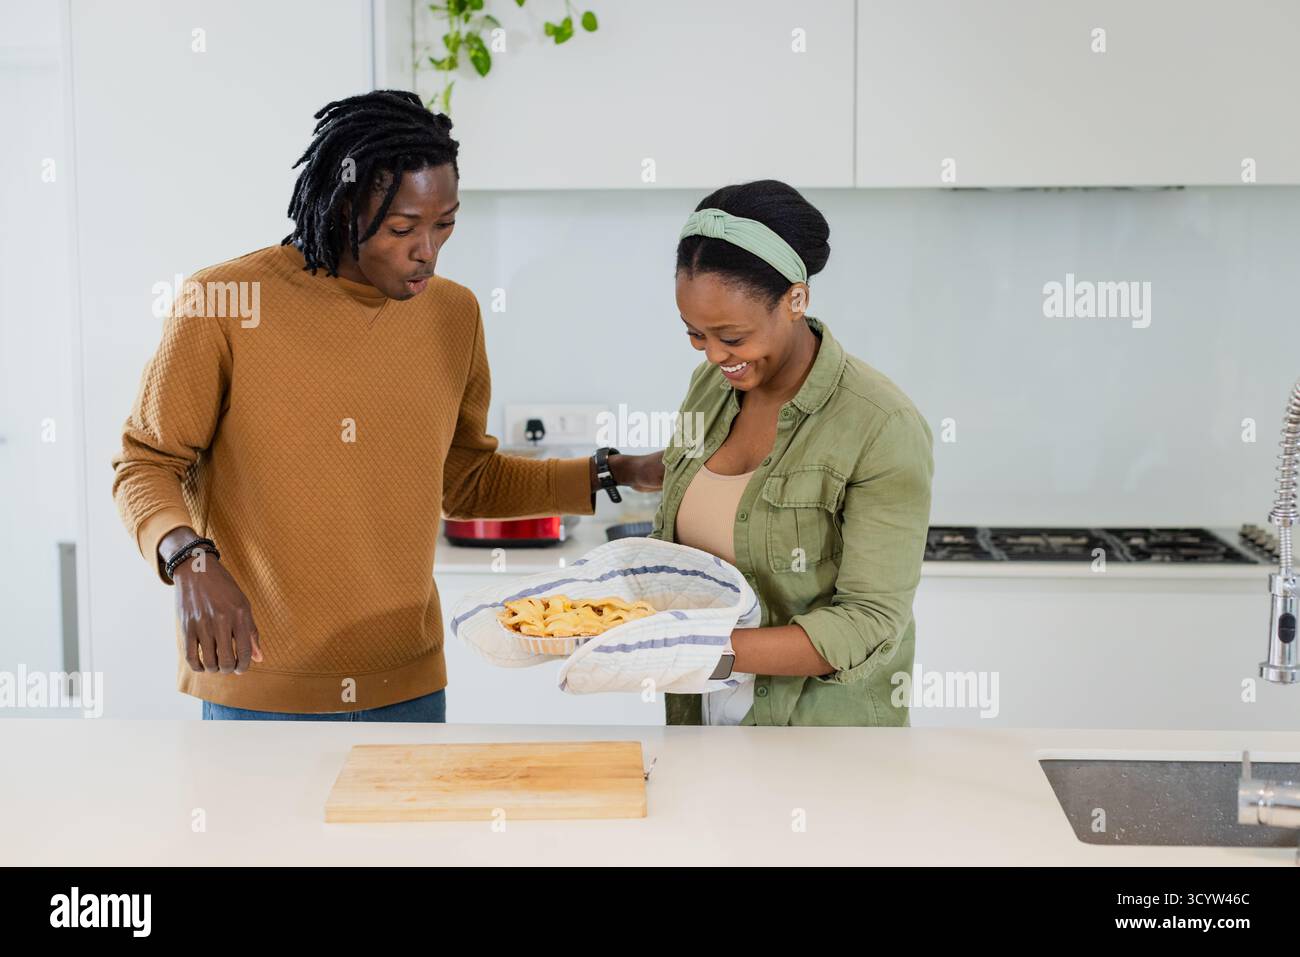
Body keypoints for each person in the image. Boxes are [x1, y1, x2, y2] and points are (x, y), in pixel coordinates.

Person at [111, 90, 661, 722]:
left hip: (409, 686)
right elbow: (143, 463)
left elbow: (468, 481)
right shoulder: (223, 301)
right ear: (345, 207)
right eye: (403, 229)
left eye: (445, 223)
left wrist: (616, 472)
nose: (428, 249)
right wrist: (187, 558)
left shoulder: (454, 314)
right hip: (261, 686)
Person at [650, 180, 934, 726]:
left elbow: (869, 620)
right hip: (698, 715)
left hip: (817, 741)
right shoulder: (708, 390)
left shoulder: (881, 426)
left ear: (795, 299)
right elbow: (679, 504)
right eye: (694, 334)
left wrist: (701, 650)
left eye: (731, 336)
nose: (713, 355)